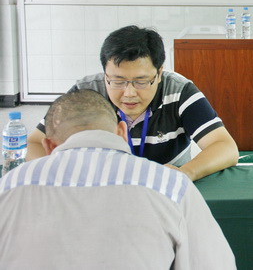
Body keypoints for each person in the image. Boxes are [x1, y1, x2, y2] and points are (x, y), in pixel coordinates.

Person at [0, 89, 236, 269]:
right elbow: (213, 264)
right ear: (122, 132)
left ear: (48, 146)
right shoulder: (170, 185)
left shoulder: (10, 185)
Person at [26, 25, 239, 181]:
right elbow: (35, 142)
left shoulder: (179, 90)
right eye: (117, 81)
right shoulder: (86, 93)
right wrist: (59, 175)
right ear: (105, 73)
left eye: (141, 81)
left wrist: (185, 173)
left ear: (159, 73)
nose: (129, 93)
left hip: (165, 187)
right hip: (103, 187)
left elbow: (225, 147)